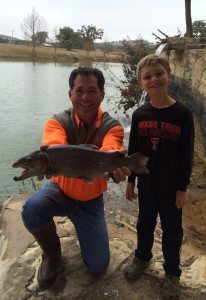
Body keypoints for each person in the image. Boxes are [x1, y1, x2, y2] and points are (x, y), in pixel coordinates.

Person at [21, 67, 130, 288]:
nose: (85, 97)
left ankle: (84, 230)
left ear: (102, 94)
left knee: (98, 267)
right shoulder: (56, 122)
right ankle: (51, 255)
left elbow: (110, 151)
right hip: (59, 193)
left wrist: (116, 167)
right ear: (70, 93)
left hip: (91, 202)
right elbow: (55, 146)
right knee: (32, 208)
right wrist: (47, 159)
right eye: (79, 91)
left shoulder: (114, 127)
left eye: (92, 91)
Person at [123, 54, 194, 298]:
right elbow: (133, 152)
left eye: (159, 74)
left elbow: (186, 155)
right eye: (147, 76)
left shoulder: (183, 114)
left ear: (169, 76)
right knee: (145, 223)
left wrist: (182, 188)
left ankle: (172, 273)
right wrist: (131, 181)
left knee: (172, 230)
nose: (154, 79)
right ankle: (142, 257)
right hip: (147, 183)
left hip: (172, 186)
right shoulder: (140, 114)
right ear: (141, 84)